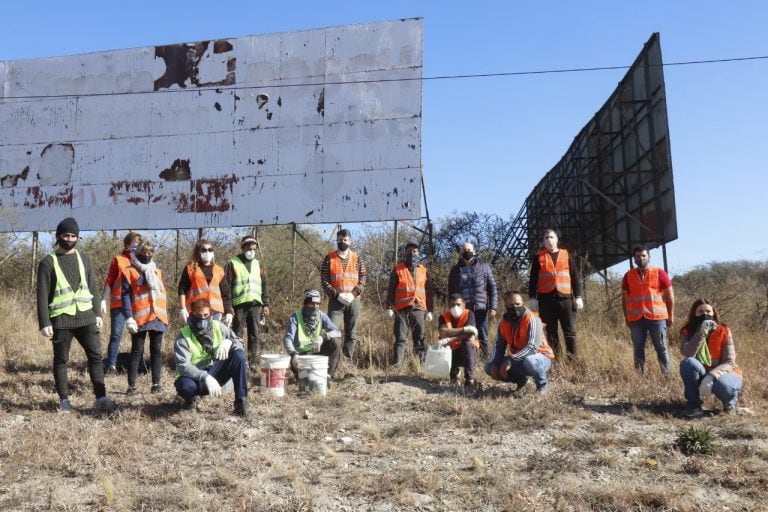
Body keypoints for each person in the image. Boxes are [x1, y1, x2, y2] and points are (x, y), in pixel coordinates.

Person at [36, 217, 117, 413]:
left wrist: (97, 312)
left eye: (73, 235)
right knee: (61, 360)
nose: (70, 239)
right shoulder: (48, 262)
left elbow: (93, 288)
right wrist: (44, 321)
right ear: (58, 236)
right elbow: (42, 293)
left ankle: (101, 397)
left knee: (95, 356)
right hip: (61, 320)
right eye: (66, 235)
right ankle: (64, 401)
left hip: (86, 317)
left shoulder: (84, 258)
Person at [173, 298, 249, 417]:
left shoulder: (218, 326)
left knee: (239, 355)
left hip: (216, 372)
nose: (203, 319)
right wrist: (206, 377)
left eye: (206, 315)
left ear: (211, 314)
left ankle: (241, 403)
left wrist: (229, 342)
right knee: (184, 386)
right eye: (199, 315)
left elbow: (240, 342)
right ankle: (190, 400)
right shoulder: (183, 335)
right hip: (196, 379)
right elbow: (183, 366)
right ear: (192, 314)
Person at [679, 299, 743, 417]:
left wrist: (711, 376)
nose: (705, 314)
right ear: (694, 314)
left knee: (726, 387)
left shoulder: (724, 330)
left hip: (725, 372)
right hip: (701, 372)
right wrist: (701, 333)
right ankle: (693, 405)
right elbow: (688, 353)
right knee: (688, 363)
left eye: (708, 311)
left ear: (714, 313)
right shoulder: (687, 331)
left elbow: (729, 361)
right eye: (700, 311)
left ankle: (730, 405)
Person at [527, 229, 583, 360]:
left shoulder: (566, 255)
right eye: (546, 237)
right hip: (546, 300)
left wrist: (578, 296)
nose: (549, 240)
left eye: (551, 237)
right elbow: (533, 279)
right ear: (543, 241)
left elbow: (575, 277)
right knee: (551, 333)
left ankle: (573, 361)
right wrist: (532, 298)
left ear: (557, 239)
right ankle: (556, 361)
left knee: (570, 332)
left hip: (566, 300)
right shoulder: (539, 257)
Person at [121, 240, 168, 395]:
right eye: (144, 252)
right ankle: (131, 386)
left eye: (150, 253)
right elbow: (125, 296)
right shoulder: (129, 270)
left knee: (156, 350)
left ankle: (156, 384)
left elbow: (161, 293)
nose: (147, 255)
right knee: (137, 351)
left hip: (157, 315)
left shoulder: (157, 271)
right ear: (137, 253)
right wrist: (129, 317)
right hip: (139, 317)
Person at [485, 291, 554, 393]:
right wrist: (494, 364)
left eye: (518, 304)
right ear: (506, 306)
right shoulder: (504, 324)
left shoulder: (532, 319)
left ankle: (542, 386)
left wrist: (510, 360)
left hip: (541, 356)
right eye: (511, 305)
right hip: (519, 359)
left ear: (523, 304)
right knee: (488, 366)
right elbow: (498, 347)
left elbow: (532, 348)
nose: (515, 307)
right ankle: (522, 381)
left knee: (529, 362)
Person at [622, 245, 675, 374]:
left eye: (643, 256)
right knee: (638, 349)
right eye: (638, 256)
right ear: (634, 259)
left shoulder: (660, 273)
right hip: (636, 320)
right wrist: (626, 318)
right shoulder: (628, 276)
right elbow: (624, 299)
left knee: (661, 348)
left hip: (657, 318)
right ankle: (640, 378)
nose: (641, 258)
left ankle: (666, 377)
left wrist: (670, 315)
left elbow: (670, 296)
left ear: (649, 257)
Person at [320, 229, 367, 361]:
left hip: (354, 301)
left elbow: (363, 278)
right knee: (332, 332)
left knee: (351, 333)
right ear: (337, 241)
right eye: (340, 240)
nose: (342, 242)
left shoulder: (358, 258)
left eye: (345, 240)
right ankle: (332, 362)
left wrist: (353, 294)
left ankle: (347, 362)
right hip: (336, 301)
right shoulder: (329, 258)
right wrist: (336, 295)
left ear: (350, 241)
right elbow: (324, 280)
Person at [224, 235, 270, 370]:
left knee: (254, 333)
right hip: (238, 305)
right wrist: (228, 307)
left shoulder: (258, 264)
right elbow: (226, 286)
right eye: (249, 248)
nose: (251, 250)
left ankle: (253, 362)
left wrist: (266, 304)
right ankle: (238, 361)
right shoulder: (232, 263)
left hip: (255, 305)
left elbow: (264, 285)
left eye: (254, 248)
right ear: (243, 248)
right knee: (237, 333)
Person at [385, 240, 434, 366]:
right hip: (401, 310)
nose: (412, 253)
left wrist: (430, 311)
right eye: (409, 251)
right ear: (405, 253)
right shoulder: (398, 269)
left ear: (418, 253)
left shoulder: (424, 270)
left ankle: (421, 365)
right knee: (400, 339)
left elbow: (429, 292)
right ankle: (397, 365)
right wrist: (389, 307)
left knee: (419, 338)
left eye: (414, 251)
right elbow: (391, 290)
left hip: (419, 309)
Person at [448, 242, 497, 359]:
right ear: (460, 253)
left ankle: (486, 361)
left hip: (480, 308)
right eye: (464, 250)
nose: (467, 252)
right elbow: (451, 291)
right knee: (463, 336)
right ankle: (465, 361)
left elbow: (492, 287)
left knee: (483, 336)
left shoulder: (484, 266)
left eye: (469, 249)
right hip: (463, 310)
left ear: (474, 251)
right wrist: (451, 308)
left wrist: (493, 307)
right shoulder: (455, 270)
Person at [101, 231, 142, 374]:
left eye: (139, 243)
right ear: (127, 244)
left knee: (138, 337)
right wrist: (103, 299)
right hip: (119, 304)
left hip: (137, 305)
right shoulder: (118, 260)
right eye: (134, 242)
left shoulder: (142, 261)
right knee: (116, 334)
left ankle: (137, 365)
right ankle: (111, 365)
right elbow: (109, 280)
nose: (136, 245)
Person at [283, 290, 343, 381]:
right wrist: (293, 354)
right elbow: (287, 338)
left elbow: (337, 332)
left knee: (336, 342)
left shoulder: (322, 316)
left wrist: (322, 338)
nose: (315, 306)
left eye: (317, 304)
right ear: (306, 303)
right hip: (300, 356)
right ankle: (302, 375)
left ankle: (327, 377)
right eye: (312, 303)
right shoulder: (295, 317)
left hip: (316, 352)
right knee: (306, 380)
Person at [178, 239, 232, 323]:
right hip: (195, 311)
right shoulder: (191, 268)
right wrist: (182, 308)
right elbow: (182, 289)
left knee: (214, 335)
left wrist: (229, 312)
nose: (207, 252)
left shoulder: (219, 270)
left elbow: (226, 293)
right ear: (198, 252)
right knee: (195, 336)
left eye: (210, 250)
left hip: (215, 312)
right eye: (204, 250)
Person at [438, 294, 479, 390]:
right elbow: (442, 332)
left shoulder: (469, 314)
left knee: (467, 343)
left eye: (458, 304)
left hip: (468, 351)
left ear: (463, 305)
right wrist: (464, 329)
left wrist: (451, 338)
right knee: (444, 345)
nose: (455, 307)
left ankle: (469, 379)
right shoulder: (443, 316)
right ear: (448, 306)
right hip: (450, 351)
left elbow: (470, 334)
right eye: (452, 305)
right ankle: (454, 375)